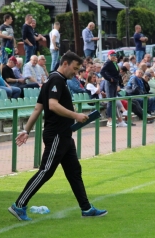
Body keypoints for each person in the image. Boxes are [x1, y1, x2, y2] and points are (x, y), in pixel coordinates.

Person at [8, 51, 108, 221]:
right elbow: (52, 106)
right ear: (65, 63)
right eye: (74, 69)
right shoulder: (56, 80)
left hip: (65, 135)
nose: (75, 73)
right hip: (57, 135)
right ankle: (19, 205)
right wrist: (76, 116)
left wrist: (26, 130)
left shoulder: (53, 80)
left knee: (74, 171)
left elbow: (38, 108)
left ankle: (86, 208)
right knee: (46, 170)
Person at [100, 50, 127, 127]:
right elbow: (102, 72)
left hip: (114, 84)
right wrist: (109, 79)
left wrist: (118, 83)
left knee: (114, 101)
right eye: (112, 55)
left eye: (114, 55)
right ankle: (109, 120)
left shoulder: (114, 63)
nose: (113, 56)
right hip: (109, 84)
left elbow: (117, 74)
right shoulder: (108, 62)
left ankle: (119, 120)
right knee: (110, 102)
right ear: (108, 56)